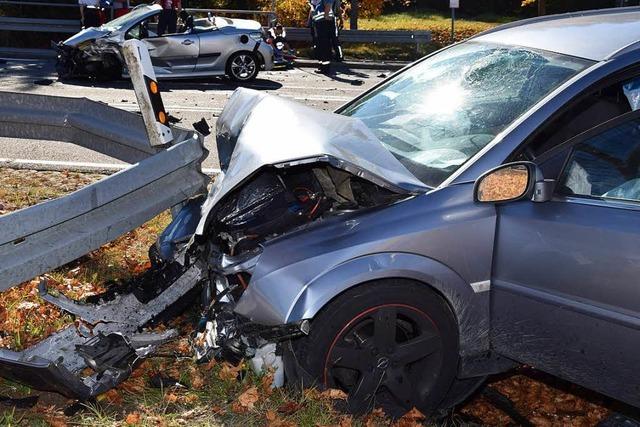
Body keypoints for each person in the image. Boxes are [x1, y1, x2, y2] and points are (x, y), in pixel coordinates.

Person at [312, 0, 335, 73]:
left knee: (324, 46)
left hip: (324, 24)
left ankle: (325, 68)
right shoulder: (319, 2)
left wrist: (326, 16)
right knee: (321, 47)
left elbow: (328, 6)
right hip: (321, 24)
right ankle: (322, 67)